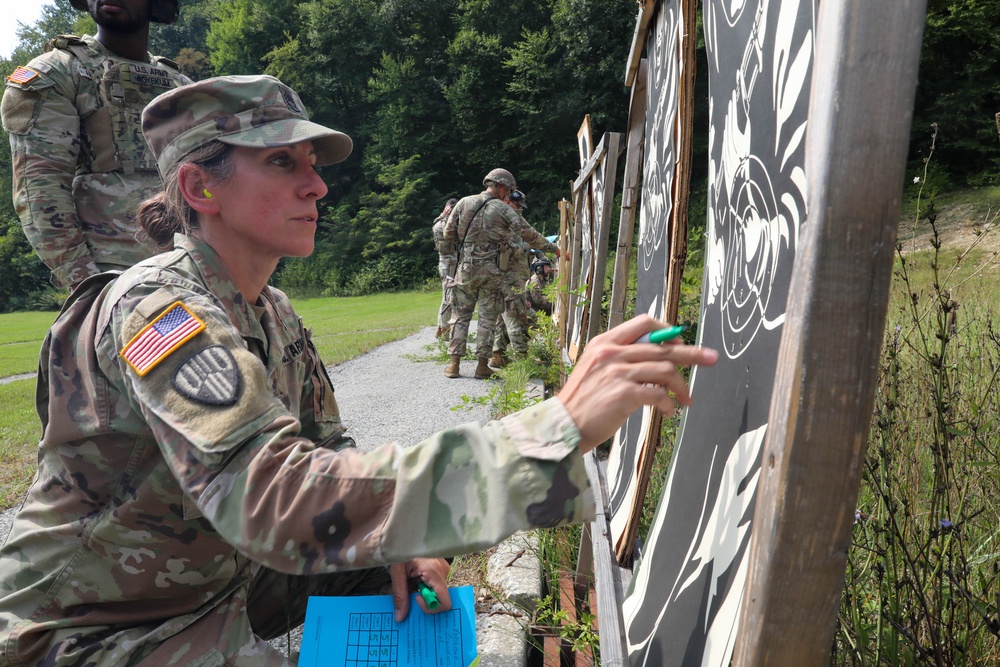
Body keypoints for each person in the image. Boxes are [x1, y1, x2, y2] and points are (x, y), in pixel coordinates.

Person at [0, 75, 718, 667]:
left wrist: (399, 546)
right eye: (283, 163)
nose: (318, 186)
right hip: (94, 627)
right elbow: (272, 493)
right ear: (199, 186)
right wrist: (546, 432)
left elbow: (328, 448)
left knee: (386, 569)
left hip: (213, 585)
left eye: (314, 165)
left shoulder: (270, 308)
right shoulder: (158, 309)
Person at [1, 0, 191, 291]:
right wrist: (88, 286)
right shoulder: (57, 73)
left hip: (191, 269)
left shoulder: (182, 87)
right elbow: (41, 191)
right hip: (113, 278)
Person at [443, 169, 560, 379]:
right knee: (487, 319)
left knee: (460, 317)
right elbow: (528, 233)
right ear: (502, 187)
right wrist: (554, 249)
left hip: (466, 269)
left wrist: (469, 242)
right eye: (508, 191)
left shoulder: (463, 202)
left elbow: (447, 233)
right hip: (492, 272)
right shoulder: (503, 210)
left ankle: (454, 365)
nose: (508, 195)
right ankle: (481, 366)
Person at [489, 189, 536, 370]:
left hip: (510, 279)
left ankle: (497, 355)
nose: (520, 210)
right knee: (516, 318)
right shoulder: (505, 222)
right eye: (518, 206)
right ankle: (522, 361)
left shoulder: (506, 220)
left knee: (503, 320)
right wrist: (527, 245)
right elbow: (514, 250)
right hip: (510, 280)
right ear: (508, 201)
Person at [432, 197, 459, 338]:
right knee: (449, 297)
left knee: (447, 295)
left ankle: (440, 327)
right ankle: (444, 328)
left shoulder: (438, 223)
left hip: (449, 264)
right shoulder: (444, 226)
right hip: (450, 264)